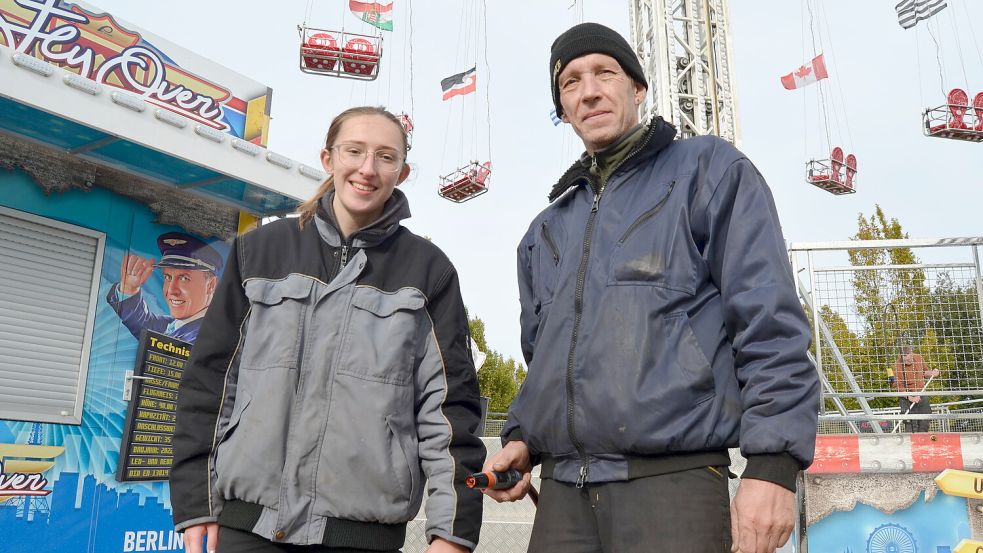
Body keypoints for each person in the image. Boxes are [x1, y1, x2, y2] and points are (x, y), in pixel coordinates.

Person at [483, 23, 820, 553]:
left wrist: (773, 466)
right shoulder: (544, 230)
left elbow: (768, 321)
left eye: (604, 73)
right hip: (566, 497)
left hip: (673, 486)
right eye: (570, 83)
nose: (588, 90)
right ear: (564, 108)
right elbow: (546, 360)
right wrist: (522, 438)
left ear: (637, 89)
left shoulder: (708, 171)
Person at [169, 106, 485, 553]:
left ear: (403, 171)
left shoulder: (429, 272)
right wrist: (195, 501)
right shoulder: (258, 251)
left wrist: (452, 532)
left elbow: (450, 410)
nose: (367, 168)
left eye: (386, 157)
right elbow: (209, 383)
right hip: (247, 527)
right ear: (328, 158)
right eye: (354, 151)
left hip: (361, 537)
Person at [106, 232, 222, 343]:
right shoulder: (179, 325)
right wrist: (129, 288)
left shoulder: (206, 338)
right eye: (168, 277)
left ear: (211, 285)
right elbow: (147, 326)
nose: (171, 290)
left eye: (184, 278)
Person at [893, 345, 940, 433]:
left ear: (911, 354)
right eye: (905, 360)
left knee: (925, 422)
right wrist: (911, 398)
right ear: (901, 356)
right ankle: (911, 444)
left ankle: (923, 443)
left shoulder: (918, 358)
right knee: (911, 425)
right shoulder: (897, 366)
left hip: (921, 394)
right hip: (906, 397)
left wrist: (932, 373)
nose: (908, 361)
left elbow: (924, 372)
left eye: (909, 358)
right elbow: (898, 386)